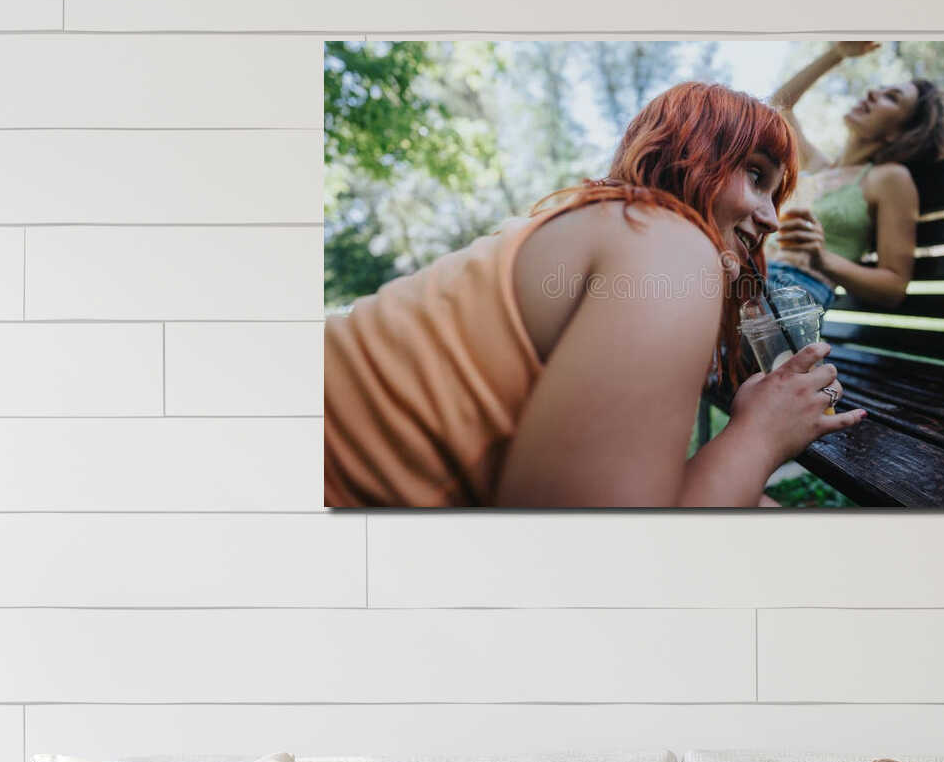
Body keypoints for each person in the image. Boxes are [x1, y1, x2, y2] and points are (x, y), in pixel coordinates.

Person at [324, 82, 865, 509]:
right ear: (692, 154)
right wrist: (763, 435)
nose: (772, 218)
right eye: (755, 175)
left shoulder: (604, 223)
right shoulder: (669, 244)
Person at [764, 40, 944, 312]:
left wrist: (822, 258)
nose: (873, 93)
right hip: (753, 277)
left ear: (900, 132)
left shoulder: (889, 179)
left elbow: (893, 286)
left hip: (792, 291)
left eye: (891, 97)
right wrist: (836, 54)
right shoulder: (820, 166)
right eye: (879, 88)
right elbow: (776, 109)